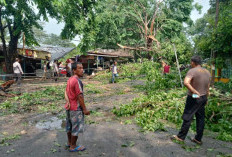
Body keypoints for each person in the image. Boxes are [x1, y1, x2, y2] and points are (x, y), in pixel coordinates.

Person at [171, 56, 211, 145]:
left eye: (191, 62)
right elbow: (208, 87)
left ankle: (180, 137)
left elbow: (186, 82)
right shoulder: (207, 72)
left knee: (188, 116)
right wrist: (206, 97)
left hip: (194, 97)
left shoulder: (192, 71)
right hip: (203, 97)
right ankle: (198, 139)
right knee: (200, 118)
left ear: (193, 62)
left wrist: (194, 91)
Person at [64, 62, 90, 152]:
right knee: (75, 128)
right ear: (74, 70)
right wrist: (85, 109)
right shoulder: (77, 81)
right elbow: (80, 96)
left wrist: (67, 102)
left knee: (69, 127)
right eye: (79, 68)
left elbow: (65, 92)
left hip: (69, 107)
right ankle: (73, 146)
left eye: (82, 68)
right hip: (76, 109)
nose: (82, 70)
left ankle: (69, 142)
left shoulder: (70, 79)